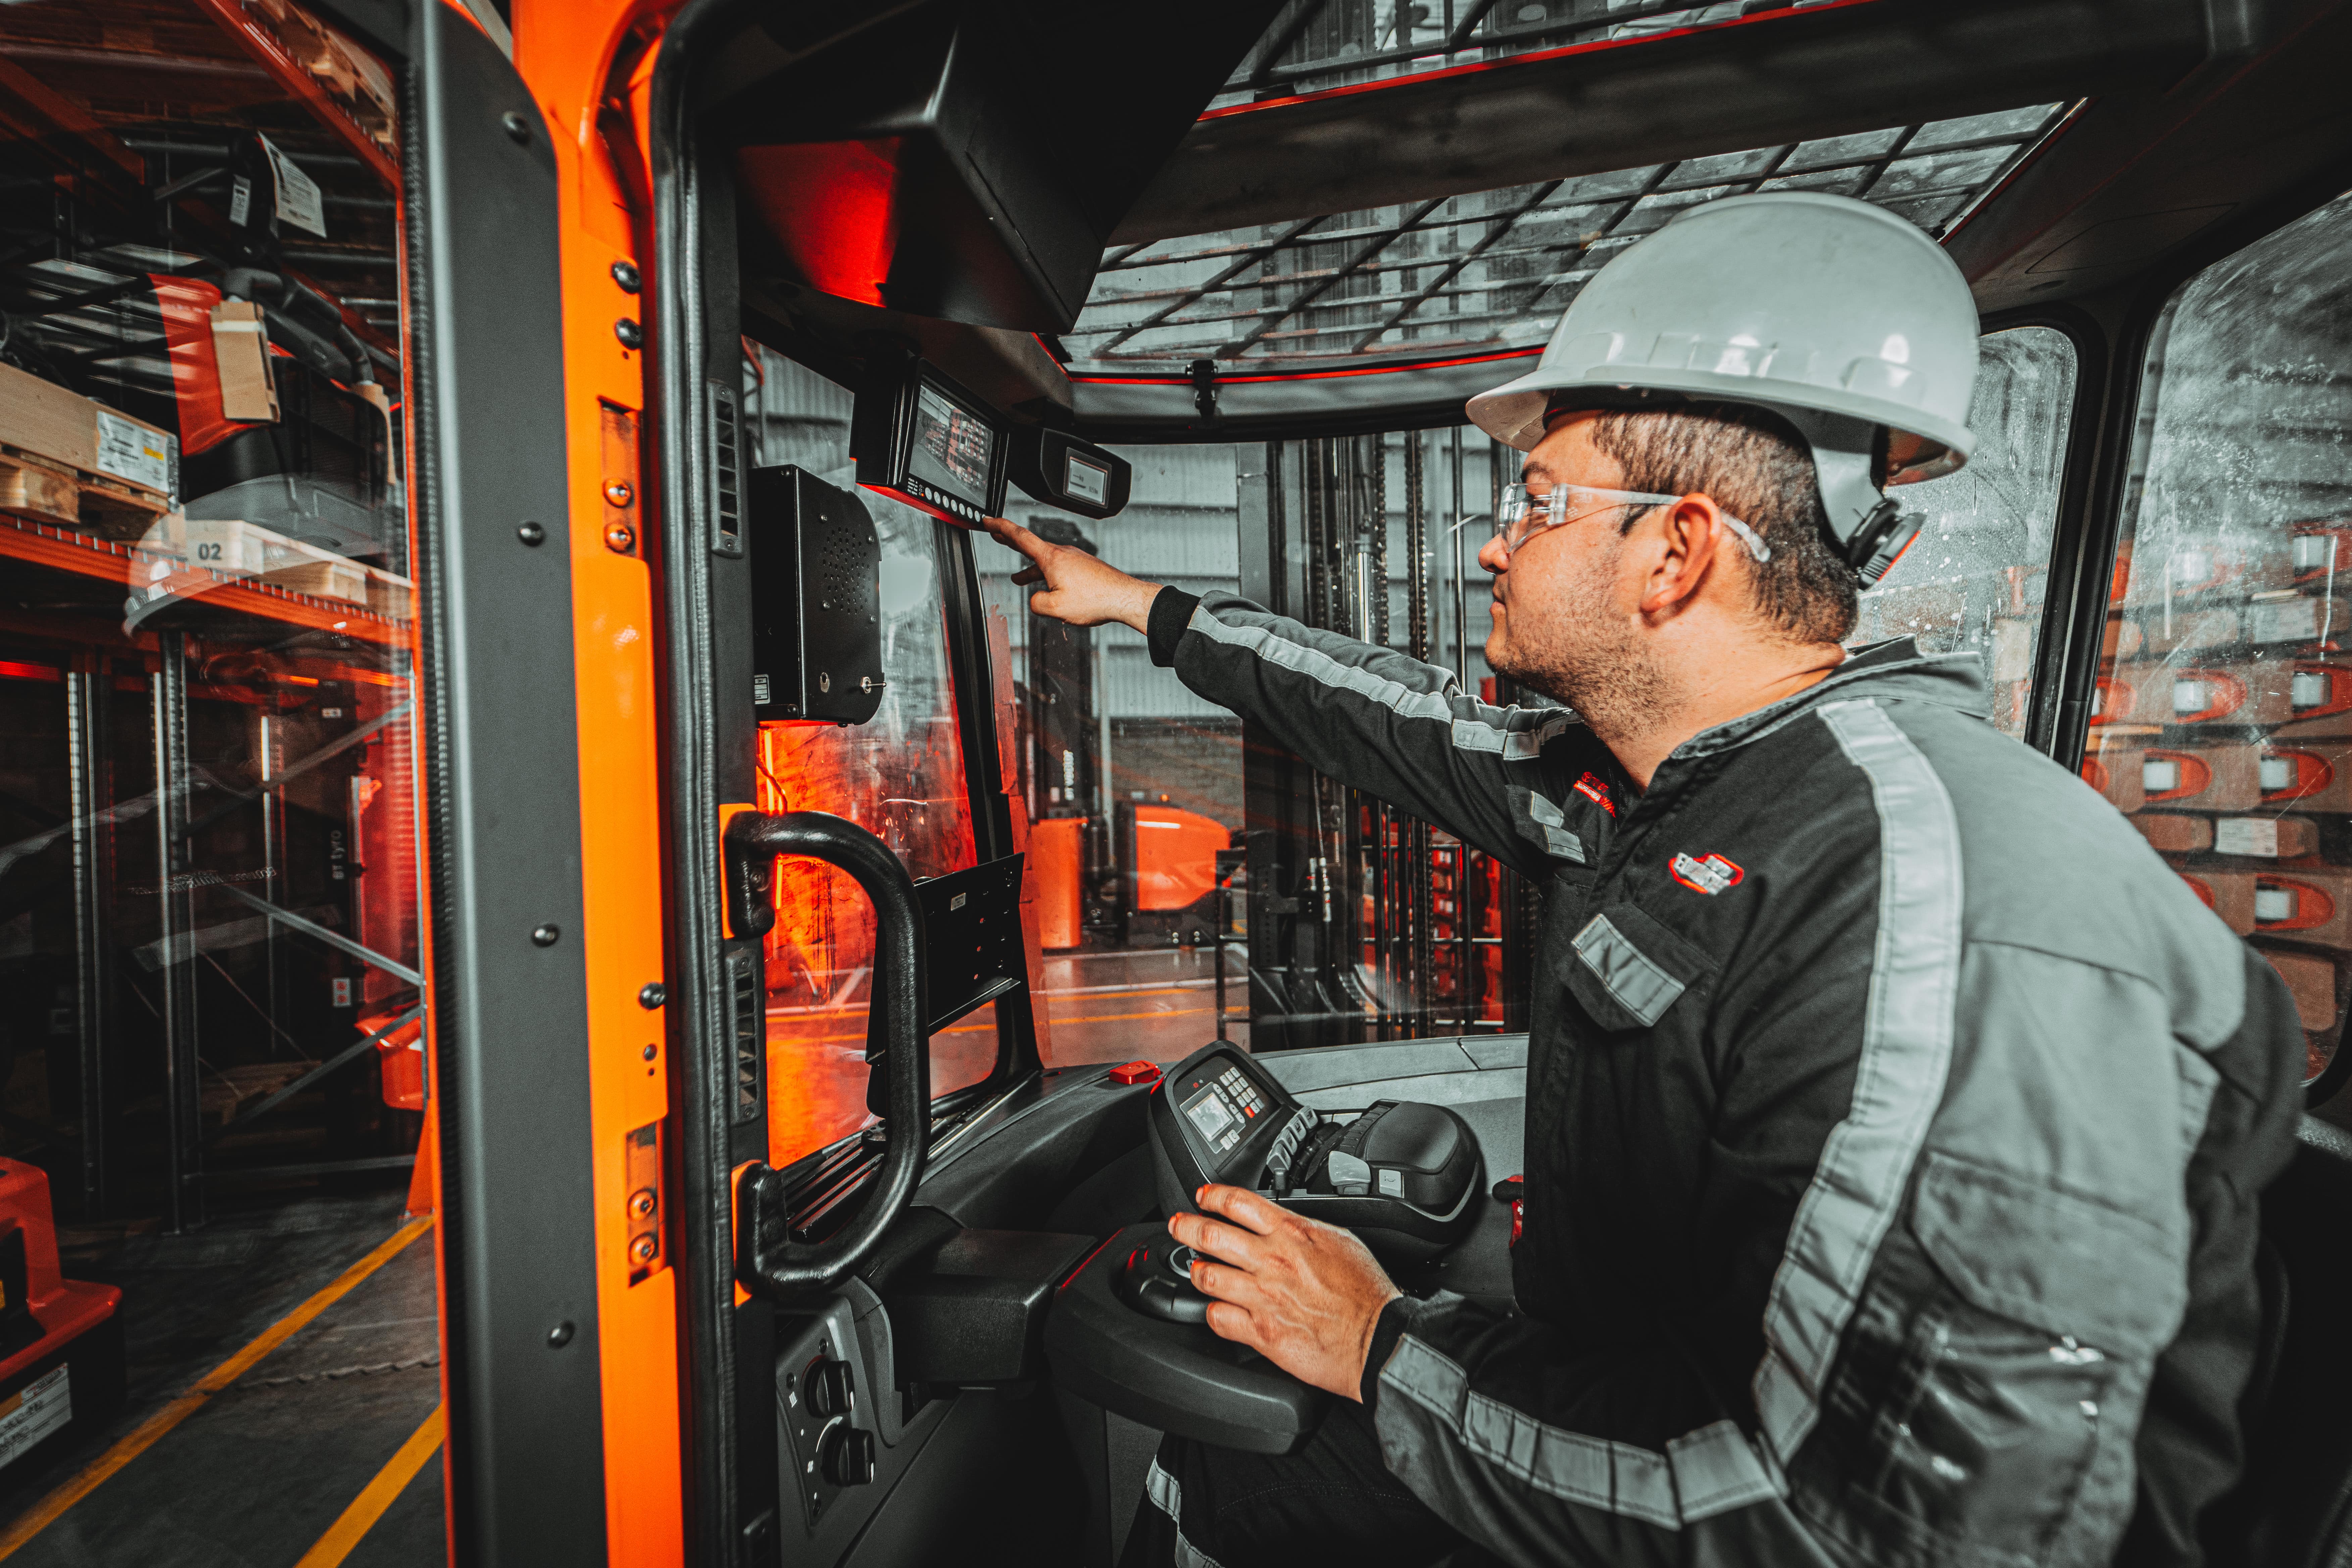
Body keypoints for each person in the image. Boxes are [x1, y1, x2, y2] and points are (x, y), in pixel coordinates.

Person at [987, 191, 2304, 1568]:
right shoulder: (1682, 791)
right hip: (1637, 1391)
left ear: (1675, 550)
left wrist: (1384, 1346)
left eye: (1540, 502)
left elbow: (1841, 1527)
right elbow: (1400, 719)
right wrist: (1142, 605)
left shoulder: (1933, 913)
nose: (1495, 543)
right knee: (1240, 1466)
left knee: (1260, 1457)